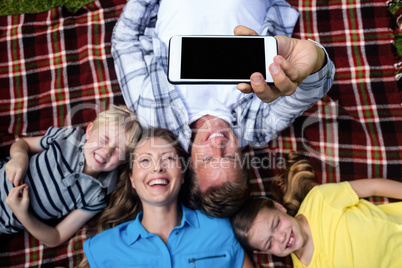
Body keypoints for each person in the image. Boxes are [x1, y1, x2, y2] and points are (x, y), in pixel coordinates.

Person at [111, 0, 336, 217]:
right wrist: (315, 61)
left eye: (208, 159)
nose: (219, 145)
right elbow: (307, 91)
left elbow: (125, 41)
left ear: (188, 163)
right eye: (229, 157)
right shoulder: (257, 127)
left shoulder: (154, 118)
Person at [81, 128, 254, 267]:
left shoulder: (220, 229)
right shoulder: (104, 247)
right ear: (132, 179)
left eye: (168, 159)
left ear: (183, 174)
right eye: (145, 161)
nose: (157, 168)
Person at [1, 105, 142, 247]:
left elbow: (56, 237)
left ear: (124, 161)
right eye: (104, 139)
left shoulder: (96, 197)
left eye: (119, 150)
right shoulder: (66, 137)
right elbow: (22, 144)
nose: (106, 151)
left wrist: (23, 215)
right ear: (90, 130)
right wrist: (19, 157)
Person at [231, 151, 402, 267]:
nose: (281, 237)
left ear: (279, 207)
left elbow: (373, 186)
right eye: (269, 243)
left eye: (276, 224)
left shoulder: (319, 200)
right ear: (263, 252)